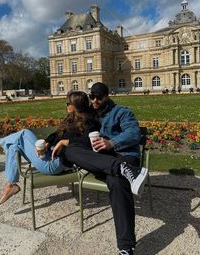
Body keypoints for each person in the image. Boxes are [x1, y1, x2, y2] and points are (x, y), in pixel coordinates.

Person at [62, 82, 148, 255]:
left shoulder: (121, 112)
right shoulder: (91, 115)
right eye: (91, 97)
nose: (93, 100)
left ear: (107, 95)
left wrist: (111, 142)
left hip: (124, 155)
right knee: (70, 150)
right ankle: (122, 169)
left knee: (117, 183)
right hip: (103, 160)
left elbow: (134, 133)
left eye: (97, 97)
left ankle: (126, 247)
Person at [0, 91, 99, 206]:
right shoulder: (71, 117)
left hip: (55, 164)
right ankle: (11, 185)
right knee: (14, 146)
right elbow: (56, 134)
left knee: (24, 133)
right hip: (48, 155)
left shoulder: (89, 122)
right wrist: (46, 142)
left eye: (67, 103)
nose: (66, 105)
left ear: (76, 105)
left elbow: (88, 142)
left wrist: (65, 142)